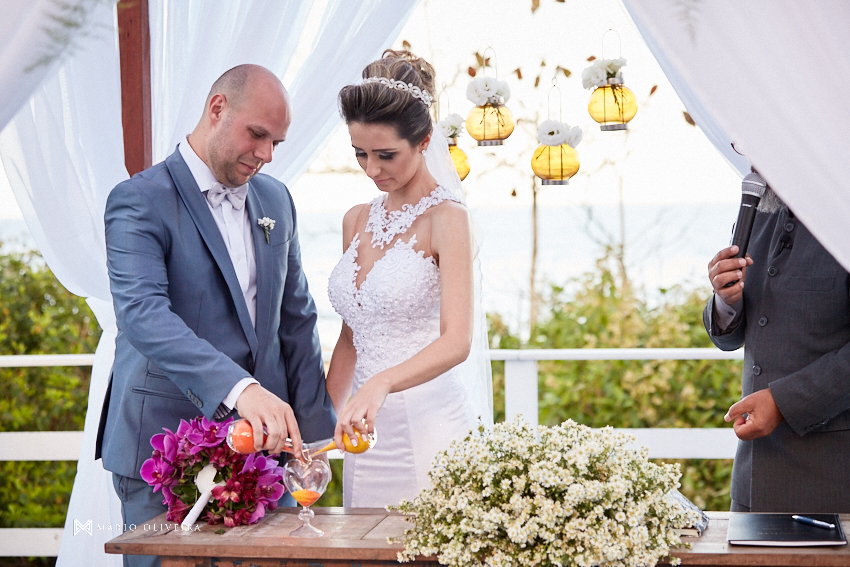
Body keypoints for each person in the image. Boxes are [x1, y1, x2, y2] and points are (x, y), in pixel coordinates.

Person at [96, 65, 336, 566]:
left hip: (269, 456)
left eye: (277, 142)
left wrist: (313, 439)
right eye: (258, 134)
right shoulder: (138, 200)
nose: (267, 154)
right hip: (164, 453)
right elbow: (143, 315)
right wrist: (241, 389)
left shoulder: (276, 199)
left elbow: (296, 321)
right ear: (218, 108)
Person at [326, 50, 492, 508]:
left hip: (430, 431)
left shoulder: (448, 220)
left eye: (386, 155)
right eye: (360, 154)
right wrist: (324, 415)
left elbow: (457, 341)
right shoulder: (355, 220)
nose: (372, 170)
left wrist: (380, 383)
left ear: (423, 141)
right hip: (365, 435)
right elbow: (351, 337)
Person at [704, 171, 850, 513]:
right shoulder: (756, 212)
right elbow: (734, 336)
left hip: (832, 485)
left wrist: (783, 402)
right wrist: (726, 300)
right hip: (751, 482)